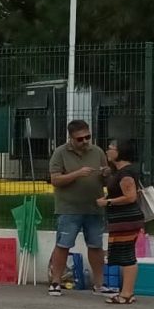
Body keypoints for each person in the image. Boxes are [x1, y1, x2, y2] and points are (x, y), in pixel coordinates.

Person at [46, 120, 112, 297]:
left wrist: (106, 174)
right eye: (80, 139)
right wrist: (77, 173)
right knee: (63, 245)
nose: (85, 141)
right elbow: (55, 180)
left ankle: (99, 284)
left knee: (96, 245)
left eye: (87, 137)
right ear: (71, 138)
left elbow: (106, 176)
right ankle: (55, 282)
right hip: (69, 208)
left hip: (94, 207)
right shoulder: (60, 152)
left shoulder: (97, 151)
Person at [99, 139, 142, 304]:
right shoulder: (119, 171)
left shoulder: (126, 173)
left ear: (120, 152)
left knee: (127, 256)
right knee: (123, 254)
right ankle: (126, 292)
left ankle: (127, 293)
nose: (108, 151)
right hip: (121, 219)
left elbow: (130, 197)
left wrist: (108, 202)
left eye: (111, 148)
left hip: (127, 219)